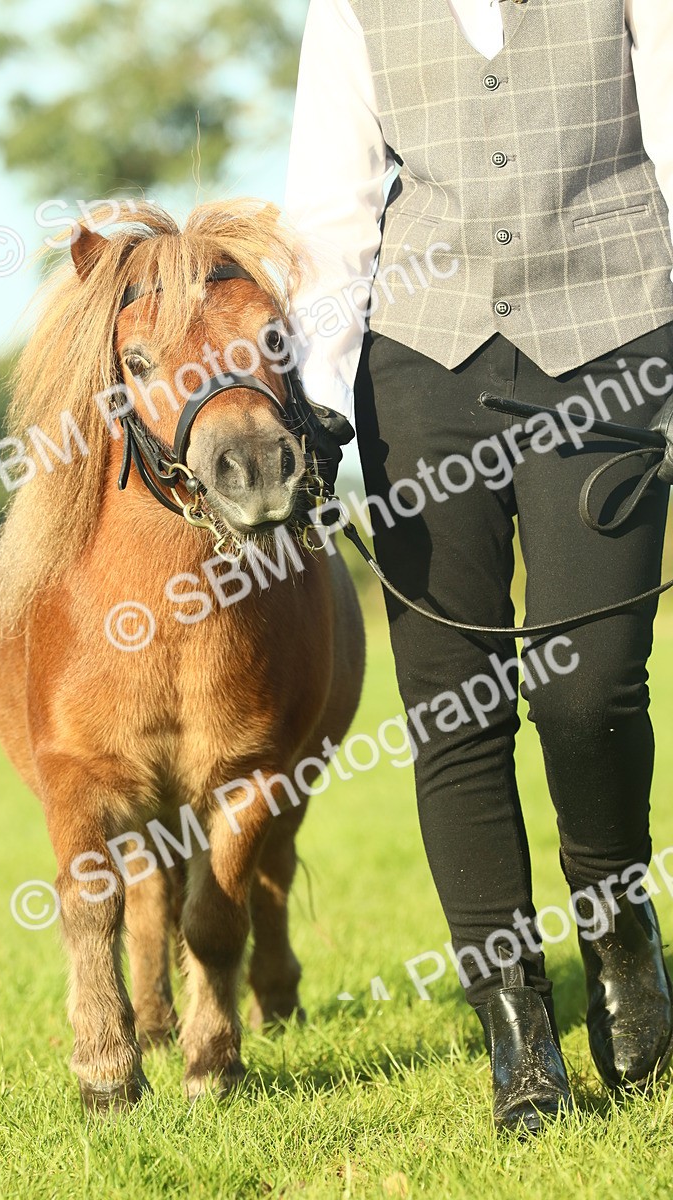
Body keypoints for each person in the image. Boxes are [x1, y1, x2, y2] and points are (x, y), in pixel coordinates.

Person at [284, 0, 673, 1133]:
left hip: (610, 336)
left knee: (587, 680)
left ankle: (615, 930)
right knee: (450, 703)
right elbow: (330, 204)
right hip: (420, 363)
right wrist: (315, 397)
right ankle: (516, 1034)